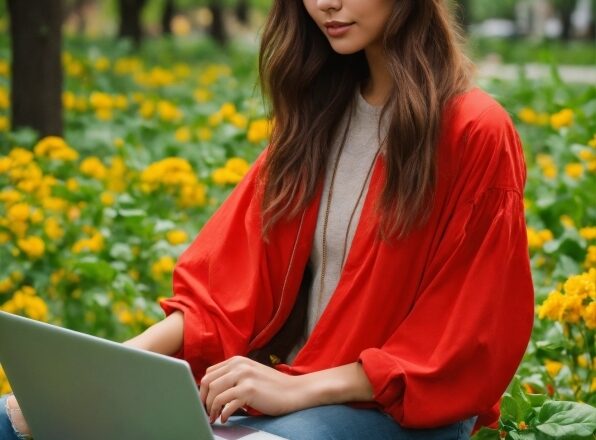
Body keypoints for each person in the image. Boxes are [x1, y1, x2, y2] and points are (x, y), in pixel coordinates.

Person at [0, 0, 535, 438]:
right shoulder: (316, 117)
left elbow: (464, 341)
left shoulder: (475, 130)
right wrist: (101, 369)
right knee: (17, 420)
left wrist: (296, 389)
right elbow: (220, 297)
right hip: (288, 387)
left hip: (400, 408)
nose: (326, 3)